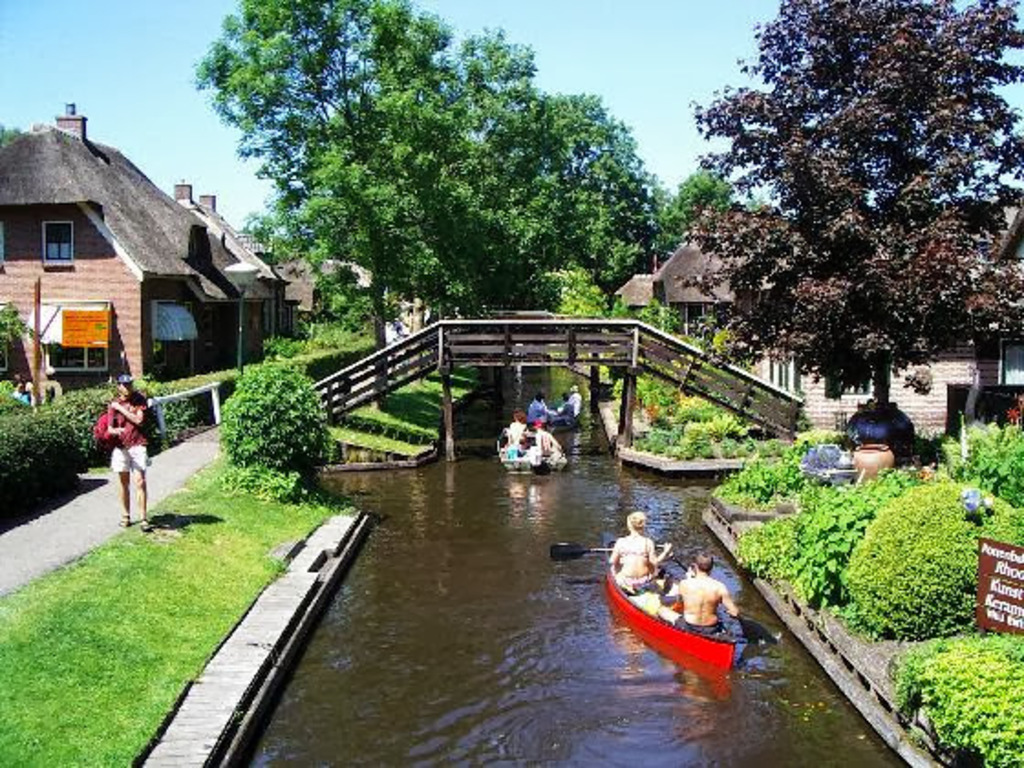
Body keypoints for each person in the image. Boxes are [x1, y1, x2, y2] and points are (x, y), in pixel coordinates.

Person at [106, 374, 151, 532]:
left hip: (138, 444)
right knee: (123, 483)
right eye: (124, 385)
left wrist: (121, 410)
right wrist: (115, 430)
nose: (127, 387)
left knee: (140, 481)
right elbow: (109, 428)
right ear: (118, 386)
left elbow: (139, 420)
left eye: (129, 384)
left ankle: (144, 518)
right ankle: (126, 517)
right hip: (121, 447)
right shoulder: (113, 404)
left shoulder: (139, 399)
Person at [665, 553, 739, 635]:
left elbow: (678, 602)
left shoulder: (685, 583)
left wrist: (689, 578)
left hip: (690, 626)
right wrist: (728, 612)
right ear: (711, 568)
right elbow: (735, 612)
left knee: (662, 610)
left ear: (695, 566)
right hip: (711, 628)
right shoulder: (720, 587)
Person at [609, 511, 673, 591]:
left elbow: (612, 561)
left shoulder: (621, 542)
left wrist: (618, 565)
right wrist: (665, 552)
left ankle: (621, 586)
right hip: (644, 581)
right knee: (655, 567)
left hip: (626, 581)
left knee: (613, 566)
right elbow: (655, 562)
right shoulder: (648, 542)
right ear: (643, 526)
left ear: (629, 526)